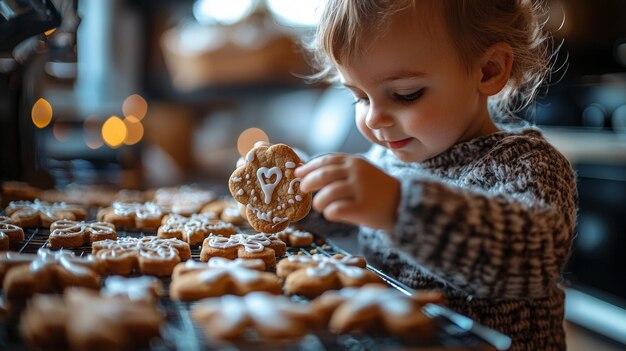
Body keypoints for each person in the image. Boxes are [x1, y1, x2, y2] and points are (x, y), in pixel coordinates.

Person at [294, 1, 576, 350]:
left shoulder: (527, 162)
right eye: (359, 98)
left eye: (405, 94)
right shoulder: (385, 156)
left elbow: (532, 259)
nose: (373, 119)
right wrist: (307, 196)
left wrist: (401, 207)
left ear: (488, 70)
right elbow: (353, 220)